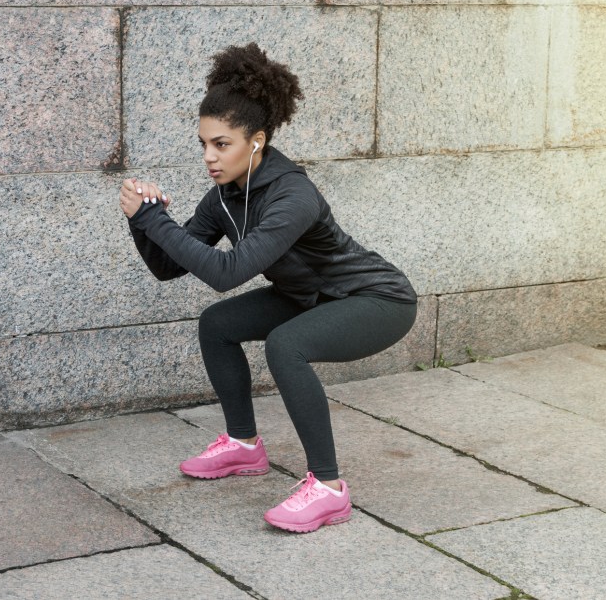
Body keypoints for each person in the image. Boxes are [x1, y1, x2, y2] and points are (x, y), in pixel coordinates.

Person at [119, 42, 417, 533]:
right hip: (307, 296)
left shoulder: (291, 194)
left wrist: (157, 219)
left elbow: (225, 273)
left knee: (287, 345)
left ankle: (329, 489)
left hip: (376, 299)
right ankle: (243, 446)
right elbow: (168, 268)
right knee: (218, 325)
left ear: (256, 141)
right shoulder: (226, 196)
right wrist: (142, 220)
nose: (209, 157)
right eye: (204, 144)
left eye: (222, 144)